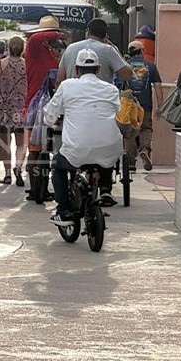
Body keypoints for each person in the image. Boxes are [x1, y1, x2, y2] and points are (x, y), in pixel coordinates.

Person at [55, 18, 132, 207]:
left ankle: (66, 198)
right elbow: (128, 74)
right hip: (103, 107)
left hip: (73, 108)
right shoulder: (108, 50)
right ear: (105, 35)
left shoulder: (71, 49)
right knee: (105, 138)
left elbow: (59, 78)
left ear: (87, 31)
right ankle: (105, 189)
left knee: (68, 149)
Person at [43, 49, 123, 226]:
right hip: (109, 148)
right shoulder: (111, 89)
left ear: (76, 70)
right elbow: (119, 113)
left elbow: (49, 114)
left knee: (57, 165)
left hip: (77, 150)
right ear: (98, 69)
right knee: (104, 155)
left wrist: (50, 120)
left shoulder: (67, 86)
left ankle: (63, 210)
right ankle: (104, 187)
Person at [22, 16, 67, 197]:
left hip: (53, 106)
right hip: (34, 106)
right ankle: (34, 189)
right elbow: (38, 37)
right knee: (35, 150)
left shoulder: (53, 55)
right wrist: (60, 34)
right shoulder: (34, 46)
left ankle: (43, 188)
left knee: (48, 148)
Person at [118, 40, 163, 171]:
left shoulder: (124, 67)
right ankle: (144, 149)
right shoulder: (151, 66)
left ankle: (130, 161)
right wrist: (160, 107)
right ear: (142, 51)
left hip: (128, 105)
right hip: (145, 105)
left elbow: (118, 86)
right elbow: (158, 87)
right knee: (146, 129)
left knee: (129, 132)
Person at [0, 35, 28, 186]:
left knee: (5, 143)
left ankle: (7, 175)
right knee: (21, 143)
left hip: (3, 108)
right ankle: (18, 166)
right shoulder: (27, 65)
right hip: (21, 107)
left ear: (8, 47)